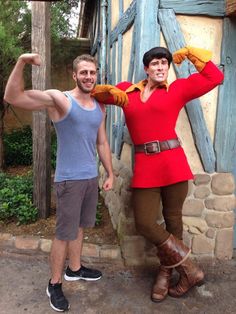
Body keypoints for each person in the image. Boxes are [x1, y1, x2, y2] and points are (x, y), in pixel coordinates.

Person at [92, 46, 224, 302]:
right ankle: (190, 268)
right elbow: (97, 96)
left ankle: (166, 274)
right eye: (155, 63)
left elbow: (215, 78)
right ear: (146, 69)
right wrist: (104, 91)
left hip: (173, 165)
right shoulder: (127, 91)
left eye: (164, 63)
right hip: (145, 167)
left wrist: (191, 54)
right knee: (144, 223)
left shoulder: (178, 89)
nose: (161, 67)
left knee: (173, 223)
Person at [4, 53, 127, 312]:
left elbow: (102, 141)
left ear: (97, 75)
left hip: (89, 178)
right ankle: (55, 283)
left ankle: (75, 268)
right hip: (68, 180)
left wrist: (110, 173)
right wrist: (22, 62)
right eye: (83, 72)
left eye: (92, 72)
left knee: (81, 227)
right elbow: (13, 97)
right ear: (74, 75)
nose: (88, 77)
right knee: (63, 234)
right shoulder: (61, 99)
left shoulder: (98, 106)